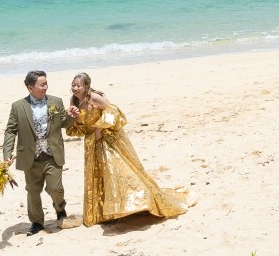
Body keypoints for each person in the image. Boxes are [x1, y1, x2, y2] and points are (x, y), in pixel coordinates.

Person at [66, 71, 190, 225]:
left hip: (106, 139)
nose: (75, 88)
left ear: (86, 86)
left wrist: (99, 129)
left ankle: (140, 200)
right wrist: (71, 116)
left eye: (79, 85)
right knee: (100, 174)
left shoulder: (94, 97)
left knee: (119, 170)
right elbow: (78, 126)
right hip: (91, 143)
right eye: (73, 85)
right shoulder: (74, 100)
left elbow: (113, 111)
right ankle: (105, 211)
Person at [2, 69, 70, 234]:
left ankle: (60, 208)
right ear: (30, 88)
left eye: (46, 83)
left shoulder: (56, 102)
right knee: (33, 191)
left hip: (52, 155)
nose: (46, 87)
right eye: (42, 84)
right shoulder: (18, 107)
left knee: (55, 188)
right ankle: (37, 222)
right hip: (30, 158)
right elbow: (10, 131)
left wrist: (72, 116)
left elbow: (64, 123)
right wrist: (7, 154)